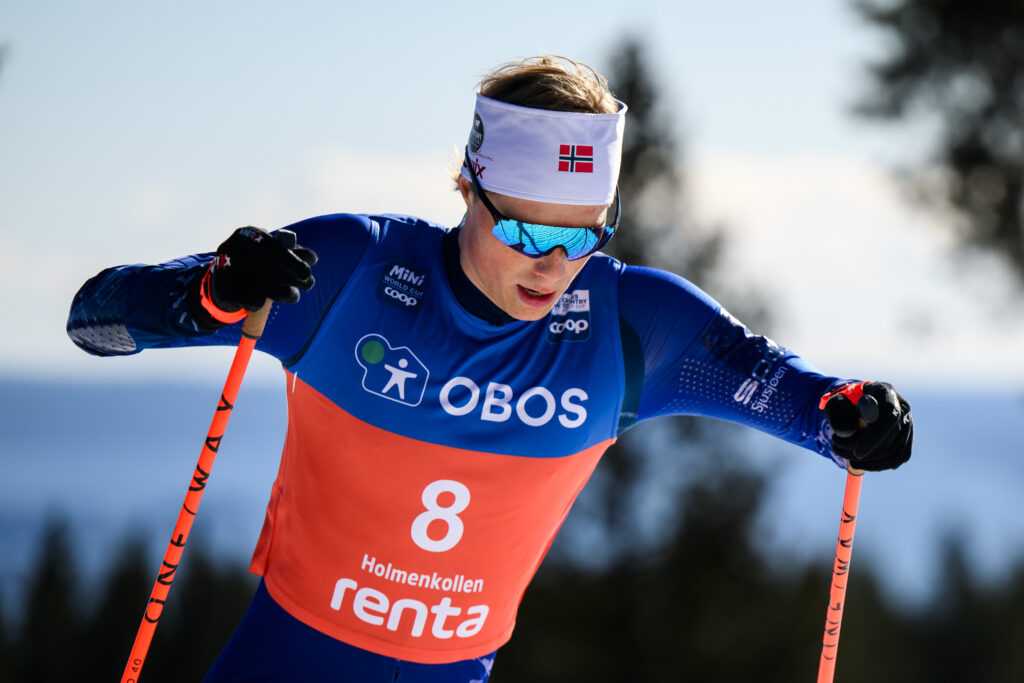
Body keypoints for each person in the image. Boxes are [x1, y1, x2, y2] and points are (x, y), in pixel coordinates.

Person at [67, 56, 913, 682]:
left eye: (583, 236)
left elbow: (802, 398)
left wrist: (857, 413)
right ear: (469, 189)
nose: (553, 265)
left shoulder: (631, 325)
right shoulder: (351, 268)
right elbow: (93, 319)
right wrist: (213, 291)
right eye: (528, 234)